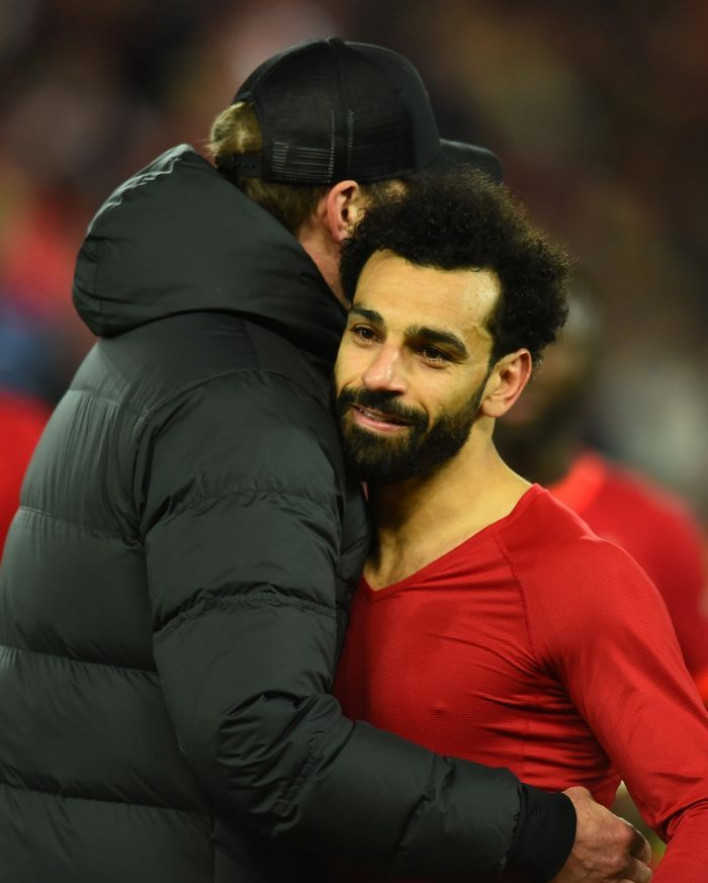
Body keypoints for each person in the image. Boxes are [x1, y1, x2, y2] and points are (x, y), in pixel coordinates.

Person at [0, 38, 647, 883]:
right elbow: (259, 736)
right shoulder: (250, 404)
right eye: (413, 203)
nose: (429, 239)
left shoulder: (182, 339)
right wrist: (535, 830)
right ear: (346, 209)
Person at [332, 170, 708, 882]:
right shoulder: (312, 536)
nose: (382, 374)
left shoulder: (575, 576)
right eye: (366, 332)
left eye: (432, 351)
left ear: (506, 381)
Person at [494, 271, 708, 705]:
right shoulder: (412, 506)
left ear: (592, 365)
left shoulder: (657, 529)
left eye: (550, 342)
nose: (525, 363)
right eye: (508, 338)